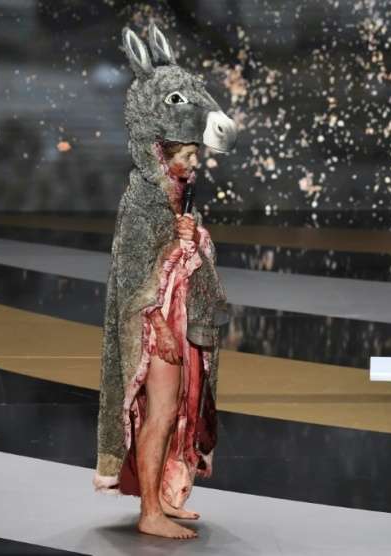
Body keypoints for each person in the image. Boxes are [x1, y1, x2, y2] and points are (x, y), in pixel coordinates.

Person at [93, 23, 236, 540]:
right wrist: (159, 329)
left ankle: (164, 497)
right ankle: (149, 511)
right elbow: (138, 278)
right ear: (164, 151)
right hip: (158, 331)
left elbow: (177, 261)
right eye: (189, 156)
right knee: (158, 414)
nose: (195, 164)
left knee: (176, 411)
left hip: (173, 322)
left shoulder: (172, 197)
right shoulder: (143, 201)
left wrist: (191, 240)